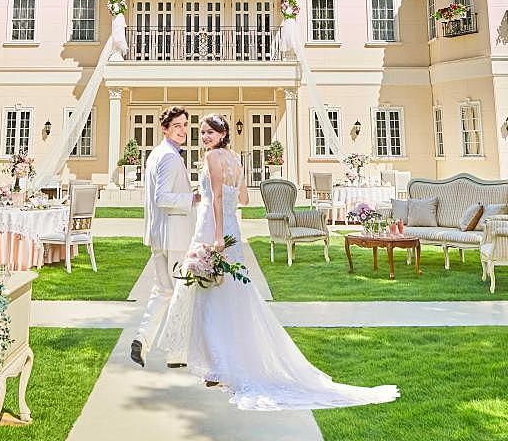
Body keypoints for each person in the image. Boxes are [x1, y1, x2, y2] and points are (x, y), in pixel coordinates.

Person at [158, 113, 399, 410]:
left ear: (222, 134)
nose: (204, 136)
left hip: (213, 228)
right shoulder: (235, 159)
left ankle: (218, 366)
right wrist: (210, 199)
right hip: (232, 227)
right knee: (230, 293)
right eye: (203, 132)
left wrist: (217, 234)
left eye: (209, 132)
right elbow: (243, 199)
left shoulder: (211, 158)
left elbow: (218, 198)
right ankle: (224, 362)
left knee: (210, 294)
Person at [131, 106, 200, 368]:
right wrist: (192, 198)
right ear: (165, 129)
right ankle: (175, 354)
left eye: (185, 125)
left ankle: (142, 339)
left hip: (160, 235)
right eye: (177, 126)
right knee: (182, 292)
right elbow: (161, 198)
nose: (183, 130)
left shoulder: (157, 154)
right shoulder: (169, 157)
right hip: (174, 236)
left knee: (163, 291)